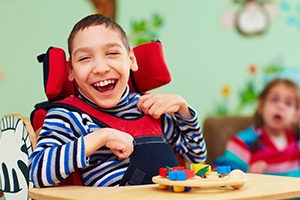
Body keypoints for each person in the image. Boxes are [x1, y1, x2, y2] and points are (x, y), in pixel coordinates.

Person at [29, 14, 207, 187]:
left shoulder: (150, 109)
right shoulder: (67, 116)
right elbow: (35, 173)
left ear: (131, 60)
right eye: (85, 58)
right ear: (71, 71)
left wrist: (184, 110)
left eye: (112, 53)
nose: (100, 68)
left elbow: (196, 156)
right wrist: (101, 137)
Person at [213, 78, 300, 177]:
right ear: (260, 105)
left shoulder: (297, 142)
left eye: (288, 103)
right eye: (274, 99)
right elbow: (221, 175)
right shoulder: (242, 143)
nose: (280, 106)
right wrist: (248, 175)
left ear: (295, 115)